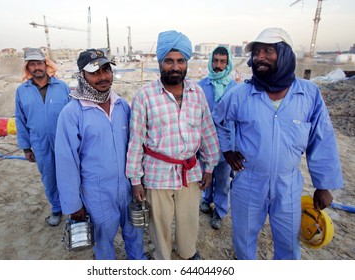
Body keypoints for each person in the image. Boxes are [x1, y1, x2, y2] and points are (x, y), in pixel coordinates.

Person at [212, 27, 344, 259]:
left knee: (288, 243)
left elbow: (321, 140)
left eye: (268, 51)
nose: (259, 57)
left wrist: (323, 185)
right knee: (243, 241)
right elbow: (218, 119)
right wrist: (228, 149)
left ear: (284, 54)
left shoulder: (308, 94)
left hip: (288, 183)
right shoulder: (241, 94)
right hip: (249, 181)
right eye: (256, 53)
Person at [126, 30, 220, 260]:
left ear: (186, 63)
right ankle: (163, 259)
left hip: (190, 170)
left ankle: (187, 253)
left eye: (180, 61)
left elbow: (207, 130)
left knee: (189, 219)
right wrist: (135, 180)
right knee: (160, 223)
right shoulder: (144, 96)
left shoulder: (196, 92)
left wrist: (209, 167)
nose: (175, 67)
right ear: (160, 63)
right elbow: (136, 140)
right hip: (157, 173)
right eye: (169, 61)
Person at [54, 49, 146, 260]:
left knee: (135, 232)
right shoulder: (72, 113)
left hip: (127, 185)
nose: (103, 77)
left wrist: (137, 180)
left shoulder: (122, 105)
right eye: (94, 72)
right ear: (82, 76)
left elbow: (135, 145)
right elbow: (66, 162)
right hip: (96, 192)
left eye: (106, 69)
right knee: (103, 239)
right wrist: (74, 204)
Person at [15, 48, 70, 226]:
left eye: (39, 63)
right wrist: (26, 148)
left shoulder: (62, 87)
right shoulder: (21, 91)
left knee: (69, 175)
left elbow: (74, 116)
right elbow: (20, 120)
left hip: (64, 142)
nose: (37, 67)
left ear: (45, 65)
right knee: (49, 177)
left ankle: (74, 207)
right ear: (27, 68)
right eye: (32, 64)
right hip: (39, 144)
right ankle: (56, 209)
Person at [198, 46, 237, 230]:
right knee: (206, 174)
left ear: (228, 63)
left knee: (222, 180)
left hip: (225, 146)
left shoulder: (235, 89)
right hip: (204, 143)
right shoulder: (201, 86)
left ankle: (220, 211)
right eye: (215, 61)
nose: (218, 66)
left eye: (222, 61)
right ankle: (206, 200)